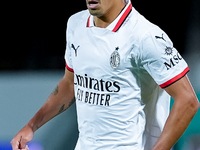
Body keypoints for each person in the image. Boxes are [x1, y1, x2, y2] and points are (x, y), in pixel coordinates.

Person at [11, 0, 199, 150]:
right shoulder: (75, 24)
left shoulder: (145, 36)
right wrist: (32, 125)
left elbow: (188, 100)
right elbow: (70, 84)